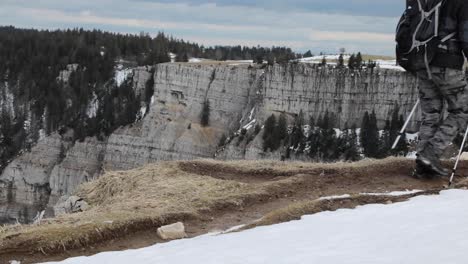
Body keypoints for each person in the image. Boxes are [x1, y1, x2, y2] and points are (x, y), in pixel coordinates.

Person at [412, 0, 468, 178]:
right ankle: (431, 153)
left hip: (421, 61)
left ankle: (423, 165)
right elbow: (466, 36)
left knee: (431, 115)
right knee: (462, 110)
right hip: (446, 63)